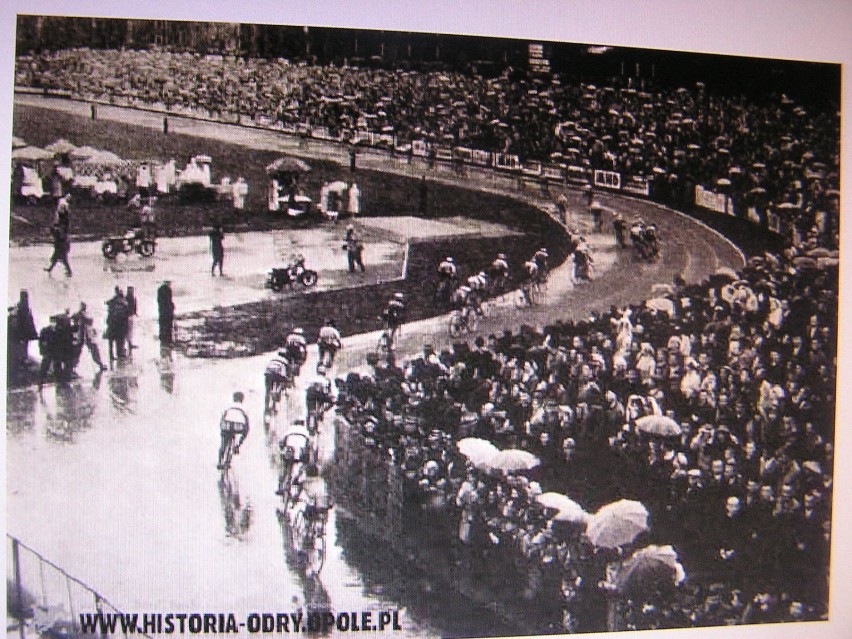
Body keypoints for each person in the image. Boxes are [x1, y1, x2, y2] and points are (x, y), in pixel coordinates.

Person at [276, 419, 312, 498]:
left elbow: (281, 443)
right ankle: (298, 478)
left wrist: (282, 449)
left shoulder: (289, 430)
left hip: (289, 451)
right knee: (302, 466)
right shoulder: (305, 432)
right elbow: (309, 446)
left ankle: (280, 486)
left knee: (284, 467)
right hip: (300, 453)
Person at [218, 391, 249, 470]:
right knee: (246, 431)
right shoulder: (244, 408)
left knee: (224, 442)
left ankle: (220, 461)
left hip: (227, 425)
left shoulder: (228, 406)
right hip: (238, 426)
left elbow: (222, 418)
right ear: (242, 400)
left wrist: (222, 428)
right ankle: (237, 446)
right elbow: (246, 422)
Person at [72, 302, 107, 371]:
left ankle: (100, 364)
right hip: (82, 336)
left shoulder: (83, 315)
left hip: (86, 336)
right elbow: (75, 319)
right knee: (77, 352)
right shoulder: (79, 315)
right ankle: (72, 368)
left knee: (94, 350)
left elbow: (89, 321)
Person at [305, 366, 335, 433]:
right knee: (332, 402)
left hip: (310, 395)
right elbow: (328, 392)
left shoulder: (311, 379)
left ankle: (308, 426)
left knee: (309, 410)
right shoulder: (326, 380)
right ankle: (322, 410)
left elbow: (306, 388)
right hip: (320, 395)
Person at [13, 290, 38, 364]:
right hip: (22, 331)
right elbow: (22, 321)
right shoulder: (20, 308)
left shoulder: (25, 308)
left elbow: (30, 320)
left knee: (24, 345)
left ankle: (23, 358)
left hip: (25, 331)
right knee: (22, 345)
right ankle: (22, 359)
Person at [105, 286, 129, 361]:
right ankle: (119, 354)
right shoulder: (123, 303)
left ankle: (112, 355)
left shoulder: (113, 303)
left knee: (111, 341)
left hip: (112, 324)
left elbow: (108, 306)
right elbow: (126, 315)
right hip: (119, 325)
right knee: (119, 340)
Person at [157, 281, 175, 345]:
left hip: (162, 311)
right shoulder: (168, 290)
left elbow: (159, 301)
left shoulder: (159, 289)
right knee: (168, 326)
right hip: (167, 311)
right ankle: (168, 339)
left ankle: (163, 338)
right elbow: (169, 301)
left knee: (162, 325)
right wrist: (172, 307)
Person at [125, 287, 138, 351]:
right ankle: (129, 344)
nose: (131, 292)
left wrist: (135, 312)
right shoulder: (129, 298)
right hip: (129, 316)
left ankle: (129, 344)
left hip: (130, 315)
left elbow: (134, 306)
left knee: (129, 331)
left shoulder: (129, 298)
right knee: (129, 330)